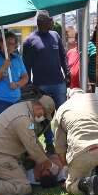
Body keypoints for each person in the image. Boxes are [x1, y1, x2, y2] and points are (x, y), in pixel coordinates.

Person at [0, 95, 56, 195]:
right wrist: (47, 163)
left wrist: (43, 157)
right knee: (23, 187)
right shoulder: (23, 119)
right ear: (39, 107)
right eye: (44, 115)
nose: (43, 117)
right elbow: (31, 145)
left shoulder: (27, 111)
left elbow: (33, 139)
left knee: (26, 168)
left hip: (3, 154)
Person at [52, 88, 98, 195]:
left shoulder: (61, 109)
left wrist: (67, 166)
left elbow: (59, 146)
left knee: (70, 186)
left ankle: (87, 182)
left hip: (81, 153)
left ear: (68, 98)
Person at [23, 10, 69, 154]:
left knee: (63, 115)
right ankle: (49, 144)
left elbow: (63, 57)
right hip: (41, 86)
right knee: (45, 117)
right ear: (40, 22)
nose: (52, 23)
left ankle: (66, 142)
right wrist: (29, 85)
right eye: (49, 21)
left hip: (59, 84)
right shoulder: (29, 41)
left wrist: (67, 74)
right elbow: (26, 65)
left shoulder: (55, 36)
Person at [0, 30, 28, 123]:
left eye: (12, 44)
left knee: (20, 126)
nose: (10, 46)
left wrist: (17, 84)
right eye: (7, 43)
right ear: (1, 44)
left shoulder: (17, 58)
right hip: (0, 102)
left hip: (17, 100)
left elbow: (25, 77)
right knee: (6, 130)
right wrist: (3, 68)